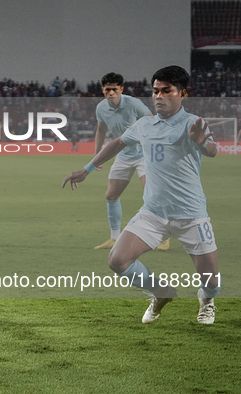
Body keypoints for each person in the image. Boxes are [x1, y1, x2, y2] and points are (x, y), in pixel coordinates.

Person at [62, 65, 219, 324]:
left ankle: (207, 299)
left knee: (212, 281)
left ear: (182, 94)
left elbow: (211, 150)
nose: (158, 96)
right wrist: (87, 169)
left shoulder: (193, 123)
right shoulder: (144, 124)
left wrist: (202, 142)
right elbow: (117, 143)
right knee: (117, 261)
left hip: (191, 215)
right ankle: (161, 292)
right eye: (155, 91)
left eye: (166, 91)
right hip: (153, 213)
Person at [92, 73, 172, 251]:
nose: (111, 92)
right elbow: (101, 130)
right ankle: (114, 238)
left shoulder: (134, 104)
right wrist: (97, 155)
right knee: (111, 195)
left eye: (114, 89)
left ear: (121, 89)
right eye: (107, 89)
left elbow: (153, 121)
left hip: (144, 154)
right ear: (103, 90)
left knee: (152, 196)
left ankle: (164, 237)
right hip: (123, 155)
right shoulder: (101, 108)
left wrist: (158, 148)